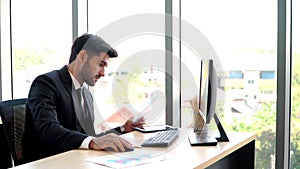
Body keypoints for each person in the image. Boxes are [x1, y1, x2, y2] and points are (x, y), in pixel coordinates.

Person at [22, 33, 144, 163]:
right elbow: (48, 129)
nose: (103, 73)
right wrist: (92, 141)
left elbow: (89, 137)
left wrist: (124, 129)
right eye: (100, 64)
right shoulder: (46, 83)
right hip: (48, 162)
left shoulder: (86, 94)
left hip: (76, 161)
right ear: (82, 56)